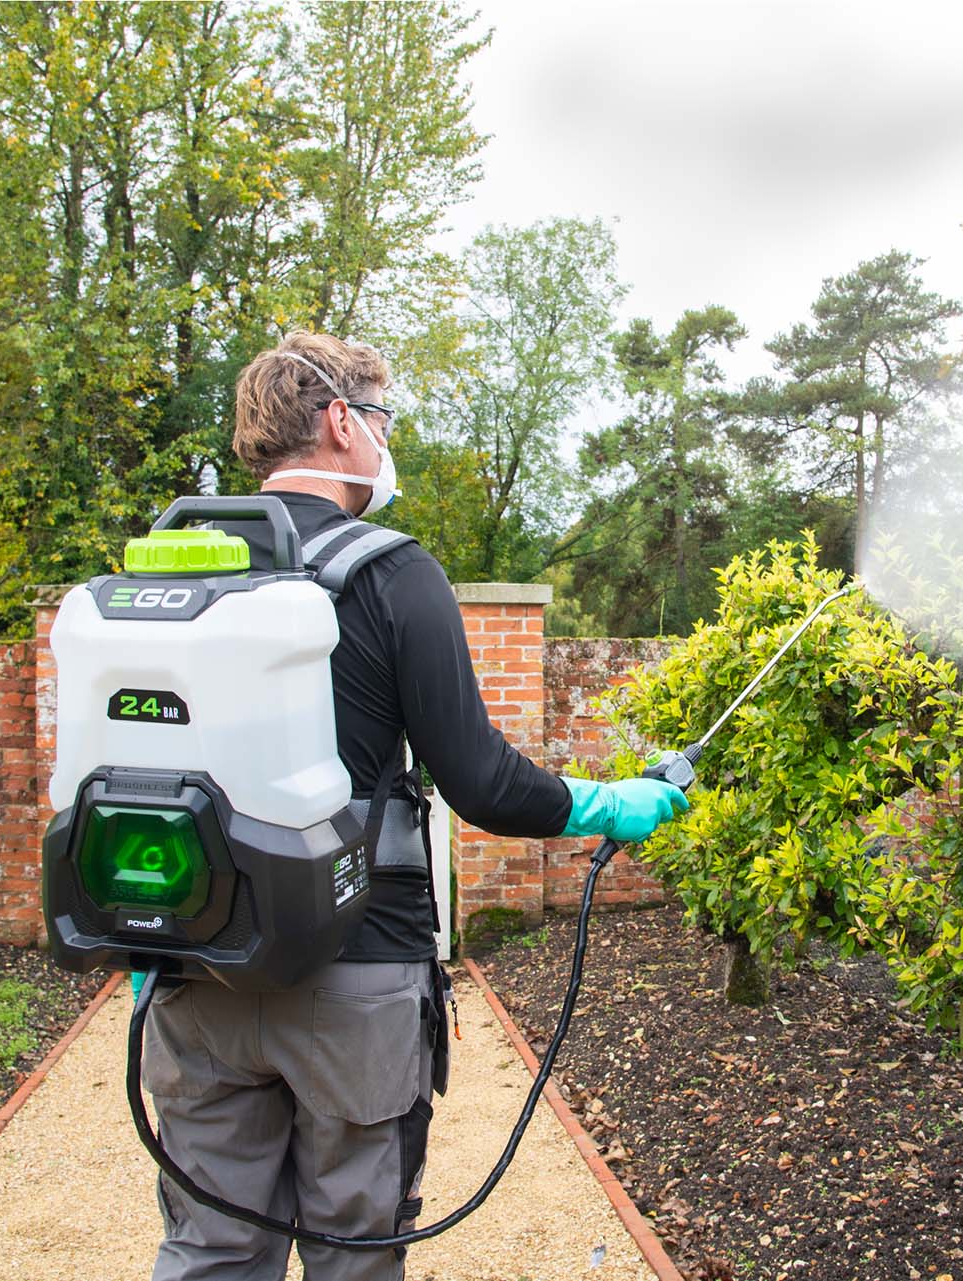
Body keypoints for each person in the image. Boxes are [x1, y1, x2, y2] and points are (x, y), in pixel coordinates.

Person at [141, 331, 688, 1281]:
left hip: (195, 966)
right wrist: (612, 802)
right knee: (355, 1250)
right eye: (382, 419)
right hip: (357, 974)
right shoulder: (392, 572)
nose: (386, 440)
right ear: (341, 421)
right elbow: (481, 781)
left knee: (211, 1249)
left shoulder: (173, 567)